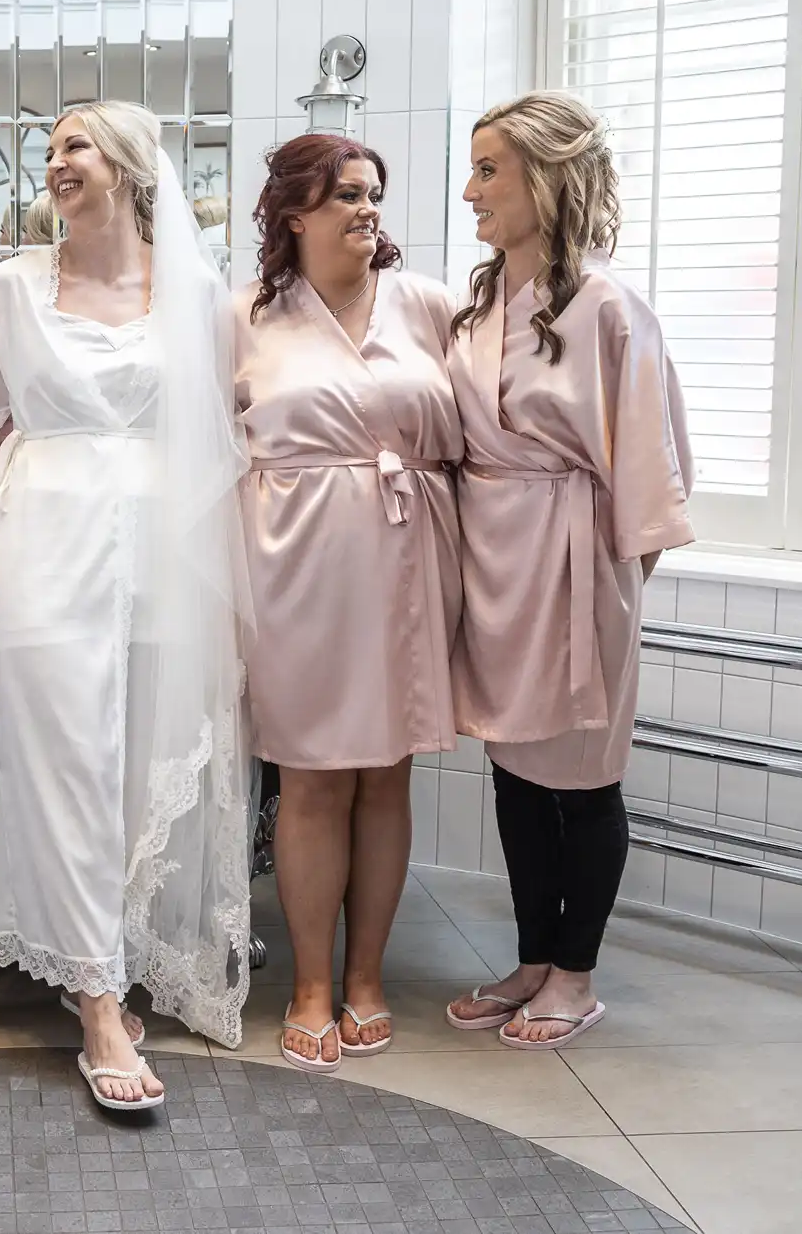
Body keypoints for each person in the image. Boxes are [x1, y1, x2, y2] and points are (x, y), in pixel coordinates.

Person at [0, 101, 252, 1112]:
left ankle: (125, 956)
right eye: (46, 151)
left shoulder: (196, 291)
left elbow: (219, 436)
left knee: (137, 769)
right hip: (47, 540)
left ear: (130, 168)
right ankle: (93, 1000)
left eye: (73, 147)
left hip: (163, 555)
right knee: (64, 762)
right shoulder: (4, 287)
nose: (54, 163)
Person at [441, 92, 695, 1048]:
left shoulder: (612, 310)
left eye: (489, 170)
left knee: (584, 777)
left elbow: (652, 468)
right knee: (513, 769)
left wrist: (613, 592)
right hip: (493, 557)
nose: (471, 191)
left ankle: (577, 973)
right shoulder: (478, 304)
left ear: (546, 177)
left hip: (580, 562)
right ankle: (534, 957)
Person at [236, 133, 462, 1070]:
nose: (369, 212)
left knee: (388, 771)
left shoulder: (432, 306)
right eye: (347, 198)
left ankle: (365, 975)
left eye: (375, 196)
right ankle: (312, 982)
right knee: (314, 775)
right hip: (295, 563)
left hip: (410, 552)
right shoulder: (245, 315)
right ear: (294, 213)